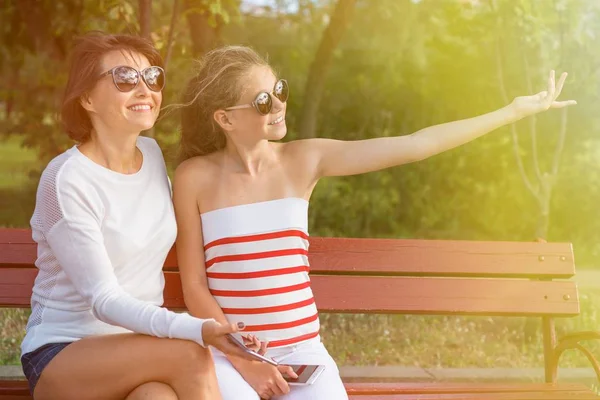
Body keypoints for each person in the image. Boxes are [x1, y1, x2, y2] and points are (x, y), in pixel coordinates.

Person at [173, 45, 576, 400]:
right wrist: (243, 356)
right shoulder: (193, 178)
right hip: (229, 352)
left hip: (302, 352)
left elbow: (416, 145)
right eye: (263, 101)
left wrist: (512, 111)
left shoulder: (304, 159)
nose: (279, 105)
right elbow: (195, 287)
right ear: (225, 119)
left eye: (280, 91)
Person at [20, 34, 261, 400]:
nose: (144, 89)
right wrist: (195, 328)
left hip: (141, 349)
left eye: (152, 78)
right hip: (63, 353)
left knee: (156, 398)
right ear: (86, 98)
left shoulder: (151, 156)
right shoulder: (67, 179)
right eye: (125, 79)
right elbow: (103, 299)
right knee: (190, 355)